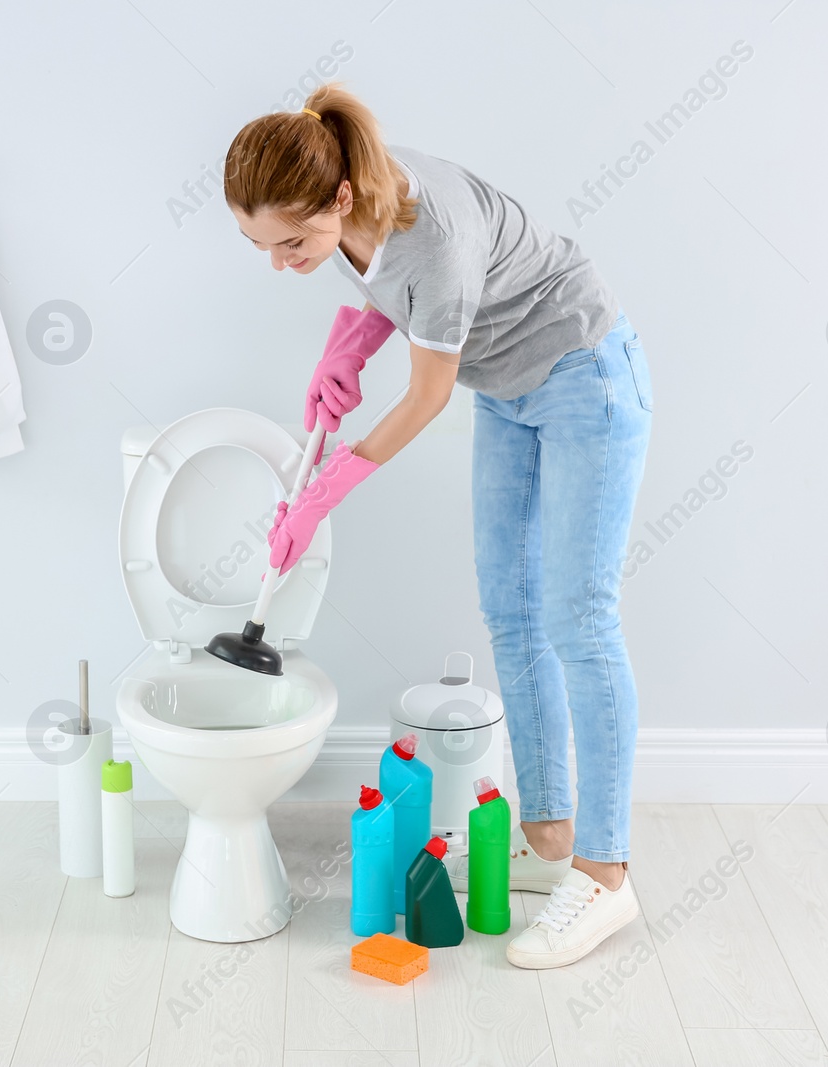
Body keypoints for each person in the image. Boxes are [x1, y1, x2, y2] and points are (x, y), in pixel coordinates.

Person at [223, 83, 654, 968]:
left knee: (579, 615)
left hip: (582, 376)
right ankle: (551, 843)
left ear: (339, 197)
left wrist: (321, 494)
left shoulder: (434, 235)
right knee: (511, 606)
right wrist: (348, 346)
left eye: (292, 243)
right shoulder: (352, 194)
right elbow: (391, 291)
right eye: (260, 246)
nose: (280, 263)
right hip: (503, 387)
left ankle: (608, 878)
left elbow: (423, 395)